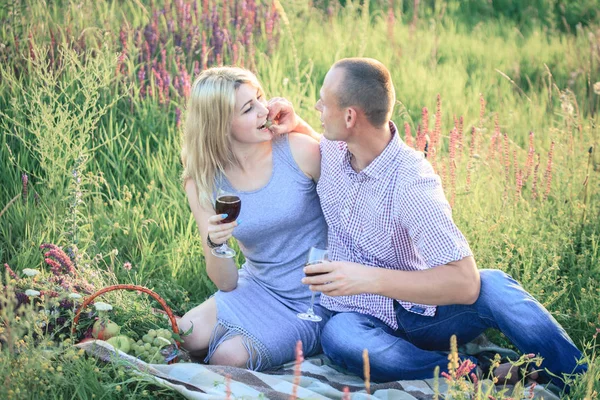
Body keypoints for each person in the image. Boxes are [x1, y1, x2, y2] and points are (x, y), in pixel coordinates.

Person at [267, 57, 587, 388]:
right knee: (341, 337)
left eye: (324, 100)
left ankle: (579, 380)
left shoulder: (412, 183)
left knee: (494, 286)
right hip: (356, 315)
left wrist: (365, 279)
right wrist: (296, 124)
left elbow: (465, 283)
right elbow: (321, 137)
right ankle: (478, 370)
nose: (317, 105)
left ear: (350, 117)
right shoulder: (334, 150)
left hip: (422, 314)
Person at [178, 66, 330, 371]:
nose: (265, 110)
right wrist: (215, 243)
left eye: (259, 98)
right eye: (249, 108)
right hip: (257, 287)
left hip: (314, 300)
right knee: (185, 335)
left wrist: (302, 126)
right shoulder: (204, 182)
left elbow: (351, 176)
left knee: (228, 358)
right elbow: (226, 282)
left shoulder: (297, 150)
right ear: (220, 125)